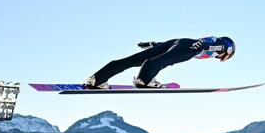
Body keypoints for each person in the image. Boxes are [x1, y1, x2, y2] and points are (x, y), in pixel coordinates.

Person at [84, 36, 235, 89]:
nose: (221, 58)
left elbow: (176, 44)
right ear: (229, 50)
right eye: (227, 56)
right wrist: (200, 46)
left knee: (132, 60)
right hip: (189, 47)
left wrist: (155, 44)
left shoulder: (214, 43)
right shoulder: (221, 45)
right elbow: (207, 44)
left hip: (178, 41)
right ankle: (145, 80)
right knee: (164, 61)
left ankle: (97, 79)